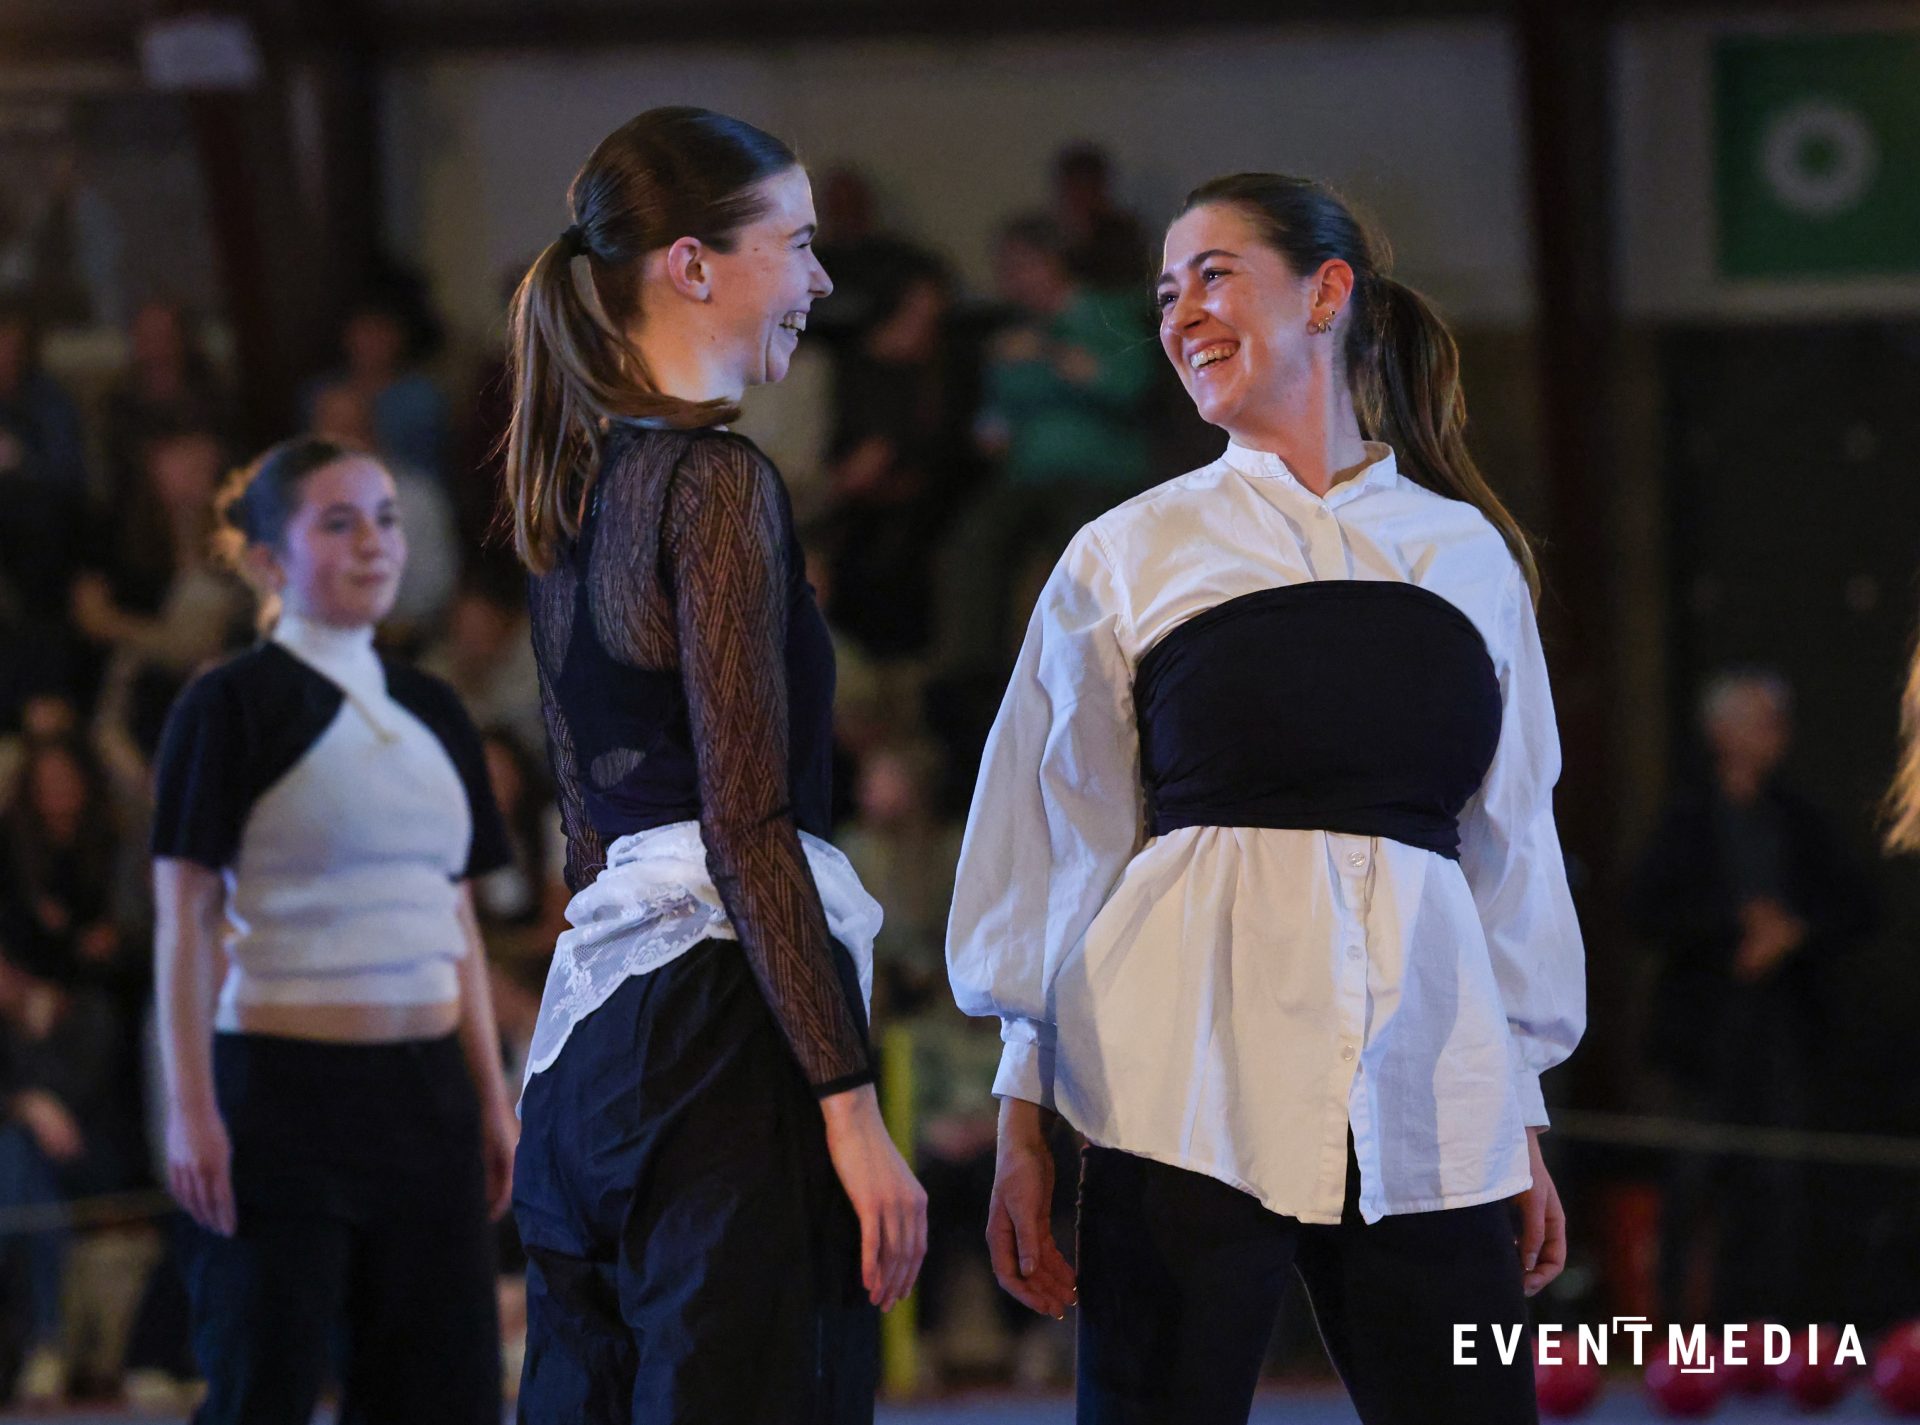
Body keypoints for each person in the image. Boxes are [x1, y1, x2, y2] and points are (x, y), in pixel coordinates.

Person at [947, 173, 1587, 1425]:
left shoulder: (1469, 559)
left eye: (1215, 274)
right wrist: (1024, 1120)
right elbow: (1057, 846)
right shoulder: (1125, 554)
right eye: (1164, 292)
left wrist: (1514, 1113)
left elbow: (1512, 849)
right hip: (1178, 1093)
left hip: (1430, 1100)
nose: (1180, 312)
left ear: (1327, 292)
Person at [502, 106, 925, 1424]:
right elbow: (747, 823)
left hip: (588, 1055)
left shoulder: (574, 488)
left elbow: (588, 833)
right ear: (691, 264)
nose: (821, 280)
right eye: (796, 244)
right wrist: (853, 1114)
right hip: (720, 1053)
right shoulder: (716, 484)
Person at [149, 436, 519, 1424]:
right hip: (280, 1096)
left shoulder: (437, 707)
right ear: (269, 559)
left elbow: (454, 915)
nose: (374, 542)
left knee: (447, 1399)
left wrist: (491, 1098)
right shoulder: (227, 705)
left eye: (387, 519)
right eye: (340, 522)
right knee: (261, 1390)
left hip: (429, 1098)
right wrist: (191, 1109)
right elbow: (183, 917)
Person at [1631, 669, 1866, 1323]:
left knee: (1778, 1186)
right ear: (1721, 732)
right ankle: (1675, 1335)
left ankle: (1767, 1335)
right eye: (1761, 721)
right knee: (1691, 1181)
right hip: (1705, 1036)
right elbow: (1645, 910)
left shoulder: (1800, 818)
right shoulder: (1686, 818)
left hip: (1783, 1034)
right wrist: (1735, 928)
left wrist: (1792, 930)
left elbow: (1857, 905)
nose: (1775, 735)